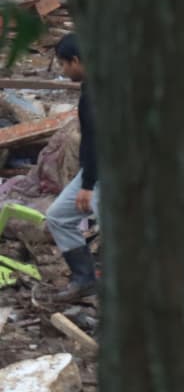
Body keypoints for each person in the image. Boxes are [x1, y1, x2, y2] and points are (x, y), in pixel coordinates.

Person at [45, 34, 99, 302]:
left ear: (76, 61)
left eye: (64, 64)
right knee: (57, 216)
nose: (63, 71)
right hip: (93, 172)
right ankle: (84, 280)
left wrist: (88, 186)